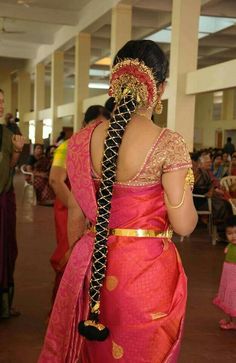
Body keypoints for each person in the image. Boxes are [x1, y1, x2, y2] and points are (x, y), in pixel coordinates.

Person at [39, 40, 197, 363]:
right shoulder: (167, 143)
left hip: (95, 267)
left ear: (116, 82)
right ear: (160, 88)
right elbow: (184, 224)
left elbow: (76, 214)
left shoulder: (84, 140)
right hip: (146, 274)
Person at [49, 105, 111, 303]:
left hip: (90, 213)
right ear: (85, 124)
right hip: (69, 209)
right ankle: (61, 309)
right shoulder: (69, 145)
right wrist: (80, 207)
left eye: (103, 125)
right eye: (95, 124)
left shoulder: (102, 148)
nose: (98, 129)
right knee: (68, 255)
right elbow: (55, 180)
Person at [0, 88, 25, 319]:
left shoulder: (7, 135)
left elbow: (9, 168)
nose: (0, 105)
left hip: (2, 200)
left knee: (4, 250)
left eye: (2, 101)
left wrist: (17, 152)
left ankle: (3, 306)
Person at [213, 216, 236, 330]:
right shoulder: (231, 245)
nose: (233, 236)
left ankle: (234, 323)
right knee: (229, 297)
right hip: (228, 276)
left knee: (234, 298)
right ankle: (231, 319)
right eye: (229, 233)